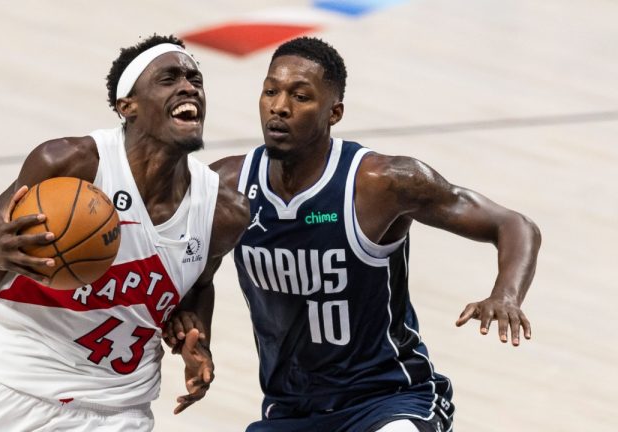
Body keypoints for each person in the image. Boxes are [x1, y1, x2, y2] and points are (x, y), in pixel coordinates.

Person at [165, 37, 541, 432]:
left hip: (389, 401)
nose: (279, 106)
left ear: (334, 112)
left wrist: (506, 294)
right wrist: (197, 343)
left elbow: (514, 225)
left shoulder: (382, 183)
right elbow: (197, 279)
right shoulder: (228, 185)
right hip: (291, 411)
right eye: (270, 91)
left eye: (301, 96)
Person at [0, 34, 249, 431]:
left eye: (195, 78)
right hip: (15, 392)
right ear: (127, 106)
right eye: (169, 78)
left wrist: (196, 338)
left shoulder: (222, 212)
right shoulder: (68, 163)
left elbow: (197, 287)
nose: (188, 86)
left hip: (120, 411)